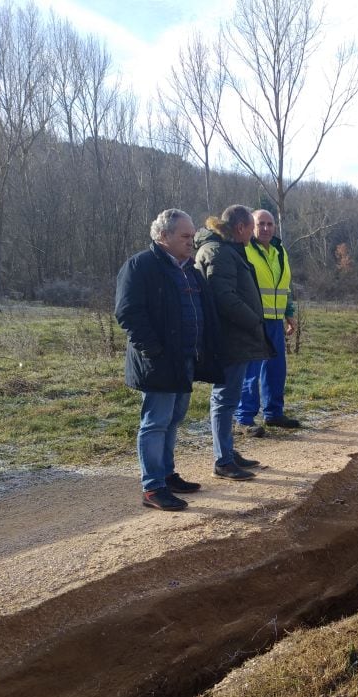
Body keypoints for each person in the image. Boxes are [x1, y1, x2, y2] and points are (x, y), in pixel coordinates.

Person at [114, 208, 224, 511]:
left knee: (173, 420)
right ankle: (153, 488)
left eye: (192, 236)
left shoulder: (188, 269)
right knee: (155, 422)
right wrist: (153, 351)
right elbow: (128, 313)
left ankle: (166, 474)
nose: (192, 241)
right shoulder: (141, 266)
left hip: (185, 359)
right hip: (159, 361)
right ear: (164, 236)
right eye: (185, 236)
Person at [193, 204, 274, 480]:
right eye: (252, 227)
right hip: (229, 338)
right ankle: (222, 460)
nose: (254, 233)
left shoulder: (226, 250)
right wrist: (253, 320)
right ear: (240, 228)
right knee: (224, 399)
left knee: (230, 397)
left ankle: (227, 451)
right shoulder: (219, 252)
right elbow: (224, 297)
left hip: (235, 337)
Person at [235, 208, 300, 436]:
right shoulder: (243, 249)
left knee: (276, 369)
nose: (265, 228)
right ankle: (244, 419)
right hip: (253, 321)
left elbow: (285, 285)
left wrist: (289, 312)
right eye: (260, 224)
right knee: (250, 371)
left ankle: (274, 414)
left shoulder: (279, 250)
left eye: (269, 224)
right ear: (251, 226)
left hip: (275, 321)